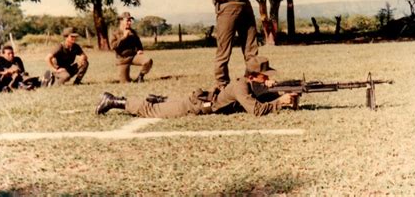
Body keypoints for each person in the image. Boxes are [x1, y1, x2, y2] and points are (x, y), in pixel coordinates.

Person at [95, 56, 294, 118]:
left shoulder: (248, 84)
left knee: (162, 103)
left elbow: (258, 96)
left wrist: (275, 89)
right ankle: (112, 100)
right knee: (150, 111)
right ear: (252, 76)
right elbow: (256, 110)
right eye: (264, 75)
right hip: (193, 107)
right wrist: (280, 102)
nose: (267, 78)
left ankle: (159, 98)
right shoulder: (242, 87)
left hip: (201, 101)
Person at [110, 11, 153, 83]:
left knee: (148, 61)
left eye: (130, 20)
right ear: (121, 21)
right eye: (127, 20)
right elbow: (113, 46)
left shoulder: (133, 32)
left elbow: (138, 43)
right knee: (125, 82)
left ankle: (140, 77)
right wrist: (123, 37)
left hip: (133, 56)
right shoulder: (115, 33)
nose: (129, 22)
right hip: (123, 59)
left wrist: (139, 49)